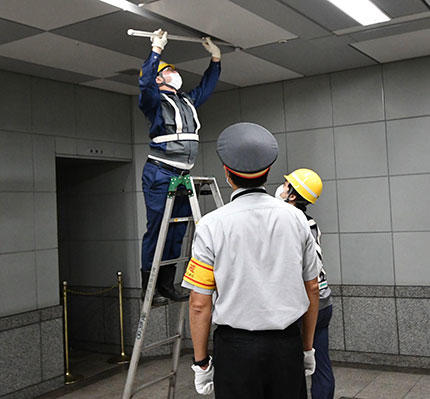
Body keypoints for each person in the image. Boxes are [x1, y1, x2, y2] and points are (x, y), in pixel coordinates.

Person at [181, 122, 320, 398]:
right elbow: (312, 288)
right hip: (286, 346)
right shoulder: (296, 219)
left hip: (235, 351)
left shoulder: (211, 225)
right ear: (267, 172)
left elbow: (199, 303)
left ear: (227, 173)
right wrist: (307, 348)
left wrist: (201, 363)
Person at [138, 29, 221, 301]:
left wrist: (215, 58)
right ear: (159, 77)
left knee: (176, 229)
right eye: (168, 70)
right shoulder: (154, 101)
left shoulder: (186, 100)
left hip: (182, 176)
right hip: (160, 173)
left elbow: (207, 86)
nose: (174, 72)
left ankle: (165, 284)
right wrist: (156, 51)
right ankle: (148, 286)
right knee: (159, 228)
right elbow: (145, 83)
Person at [275, 169, 335, 399]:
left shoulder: (287, 224)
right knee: (320, 365)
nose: (281, 187)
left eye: (286, 184)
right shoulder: (310, 222)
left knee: (293, 366)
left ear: (292, 196)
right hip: (324, 301)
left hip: (304, 305)